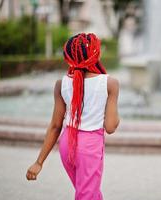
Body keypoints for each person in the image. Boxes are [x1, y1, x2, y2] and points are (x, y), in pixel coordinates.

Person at [25, 33, 120, 200]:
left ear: (68, 57)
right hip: (89, 147)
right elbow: (111, 127)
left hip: (67, 143)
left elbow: (55, 126)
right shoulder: (109, 83)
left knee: (88, 193)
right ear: (95, 54)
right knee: (87, 195)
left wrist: (39, 162)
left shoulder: (61, 84)